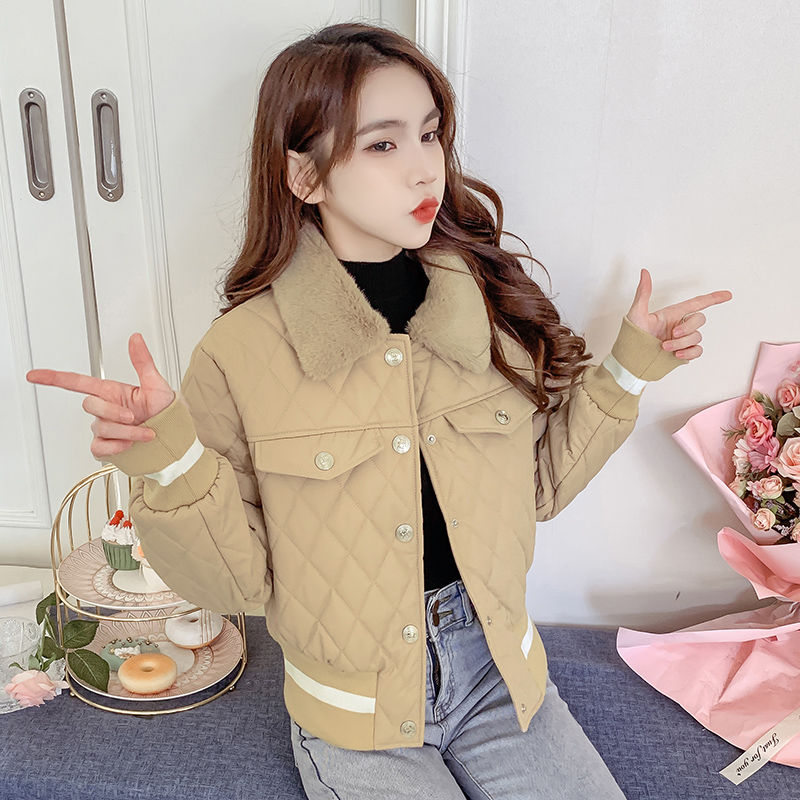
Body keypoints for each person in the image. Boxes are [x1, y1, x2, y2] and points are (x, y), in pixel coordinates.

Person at [26, 21, 732, 800]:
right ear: (305, 176)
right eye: (383, 144)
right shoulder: (241, 352)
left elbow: (539, 489)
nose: (425, 166)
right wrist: (172, 463)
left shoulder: (484, 309)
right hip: (354, 716)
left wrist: (630, 369)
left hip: (501, 675)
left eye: (429, 134)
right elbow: (238, 585)